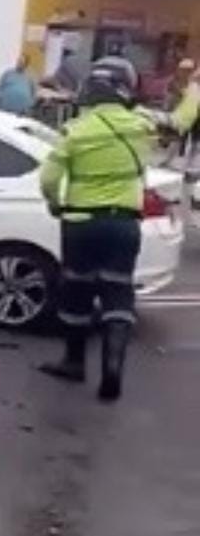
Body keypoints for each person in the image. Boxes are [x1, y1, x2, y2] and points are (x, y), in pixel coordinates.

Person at [38, 56, 199, 401]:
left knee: (76, 292)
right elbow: (182, 121)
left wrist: (55, 203)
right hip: (122, 224)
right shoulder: (142, 122)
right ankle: (112, 370)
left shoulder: (75, 130)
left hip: (80, 224)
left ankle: (74, 362)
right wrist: (195, 87)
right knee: (117, 291)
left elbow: (49, 178)